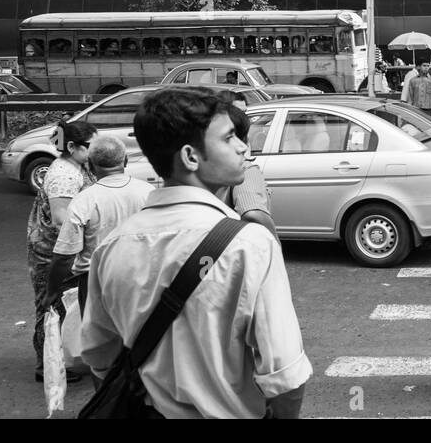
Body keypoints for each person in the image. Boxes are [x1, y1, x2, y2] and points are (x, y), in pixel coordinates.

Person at [82, 86, 312, 419]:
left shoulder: (112, 246)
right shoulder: (250, 245)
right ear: (191, 157)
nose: (243, 147)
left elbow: (100, 357)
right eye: (229, 137)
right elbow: (286, 375)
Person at [43, 136, 152, 314]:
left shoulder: (84, 200)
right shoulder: (149, 192)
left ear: (91, 165)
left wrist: (51, 291)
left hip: (96, 282)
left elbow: (64, 256)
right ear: (125, 160)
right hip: (141, 278)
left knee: (98, 338)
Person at [26, 119, 97, 383]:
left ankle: (60, 359)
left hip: (64, 251)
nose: (93, 150)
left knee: (64, 306)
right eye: (90, 145)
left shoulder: (76, 166)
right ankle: (47, 367)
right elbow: (61, 219)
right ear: (72, 146)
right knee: (51, 306)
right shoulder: (63, 175)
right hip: (53, 253)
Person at [219, 97, 278, 238]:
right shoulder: (245, 170)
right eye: (237, 111)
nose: (244, 117)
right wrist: (275, 247)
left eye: (245, 112)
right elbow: (253, 213)